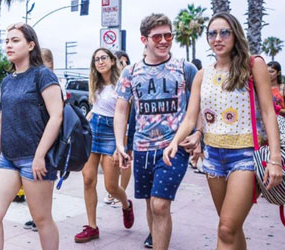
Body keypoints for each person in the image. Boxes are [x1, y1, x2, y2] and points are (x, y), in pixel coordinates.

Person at [163, 12, 283, 249]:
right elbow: (190, 117)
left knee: (226, 228)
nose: (218, 38)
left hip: (246, 156)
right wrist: (174, 141)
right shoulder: (202, 75)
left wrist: (275, 159)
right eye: (212, 33)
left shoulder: (253, 65)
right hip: (214, 158)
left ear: (235, 34)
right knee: (231, 228)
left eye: (224, 32)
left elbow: (269, 113)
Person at [113, 13, 199, 250]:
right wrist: (120, 145)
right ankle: (156, 238)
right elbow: (121, 111)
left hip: (173, 147)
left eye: (168, 35)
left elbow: (199, 105)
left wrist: (199, 133)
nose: (163, 41)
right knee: (152, 203)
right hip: (142, 148)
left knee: (160, 205)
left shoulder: (185, 68)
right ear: (144, 40)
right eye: (157, 36)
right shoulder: (130, 72)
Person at [0, 23, 63, 250]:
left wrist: (40, 156)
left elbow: (57, 116)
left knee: (42, 219)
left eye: (15, 40)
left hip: (35, 159)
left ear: (30, 45)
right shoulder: (8, 81)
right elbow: (3, 120)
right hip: (8, 158)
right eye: (7, 41)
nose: (9, 45)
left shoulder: (42, 75)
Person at [74, 48, 134, 243]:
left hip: (112, 132)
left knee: (111, 186)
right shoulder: (95, 83)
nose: (100, 62)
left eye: (103, 58)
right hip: (94, 129)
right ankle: (92, 227)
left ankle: (126, 204)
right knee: (88, 179)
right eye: (96, 59)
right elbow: (96, 108)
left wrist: (121, 147)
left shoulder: (122, 84)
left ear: (111, 60)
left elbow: (124, 117)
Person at [22, 47, 55, 232]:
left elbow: (56, 116)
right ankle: (38, 217)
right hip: (33, 139)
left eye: (43, 61)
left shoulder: (50, 81)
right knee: (36, 186)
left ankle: (42, 218)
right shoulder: (33, 80)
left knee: (45, 184)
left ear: (50, 63)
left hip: (46, 140)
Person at [103, 50, 135, 207]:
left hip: (128, 125)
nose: (123, 64)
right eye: (120, 61)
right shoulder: (110, 82)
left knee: (126, 159)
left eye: (125, 61)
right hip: (114, 126)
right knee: (114, 161)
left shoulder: (130, 80)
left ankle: (122, 189)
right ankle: (114, 189)